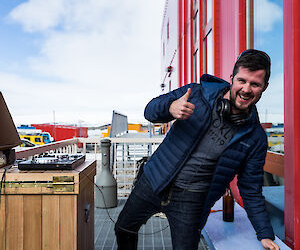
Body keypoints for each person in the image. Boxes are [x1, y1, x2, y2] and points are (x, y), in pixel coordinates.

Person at [115, 49, 280, 250]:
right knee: (123, 228)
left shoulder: (255, 138)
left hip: (193, 200)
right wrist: (170, 108)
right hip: (153, 180)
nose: (246, 89)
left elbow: (251, 189)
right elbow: (150, 110)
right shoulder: (196, 93)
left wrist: (264, 233)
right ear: (232, 78)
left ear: (264, 87)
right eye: (242, 81)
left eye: (255, 84)